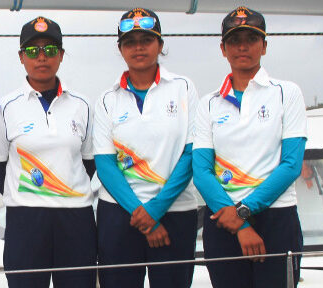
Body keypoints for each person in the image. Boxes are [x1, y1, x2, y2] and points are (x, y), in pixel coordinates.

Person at [193, 6, 306, 288]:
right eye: (234, 40)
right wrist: (238, 222)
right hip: (223, 218)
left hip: (275, 217)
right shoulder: (208, 103)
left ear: (264, 46)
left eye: (251, 39)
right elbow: (202, 170)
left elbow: (291, 164)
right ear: (223, 48)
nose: (242, 46)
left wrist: (244, 212)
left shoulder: (287, 93)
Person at [0, 16, 98, 288]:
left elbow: (89, 163)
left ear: (60, 56)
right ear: (21, 57)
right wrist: (27, 196)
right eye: (33, 51)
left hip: (76, 218)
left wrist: (63, 191)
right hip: (25, 220)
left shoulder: (82, 105)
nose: (42, 58)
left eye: (50, 50)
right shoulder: (5, 108)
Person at [92, 8, 200, 288]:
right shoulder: (106, 98)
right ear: (120, 49)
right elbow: (104, 164)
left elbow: (191, 154)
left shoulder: (184, 88)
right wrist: (145, 217)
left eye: (147, 40)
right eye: (130, 41)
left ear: (160, 45)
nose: (138, 47)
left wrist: (156, 210)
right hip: (119, 214)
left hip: (175, 211)